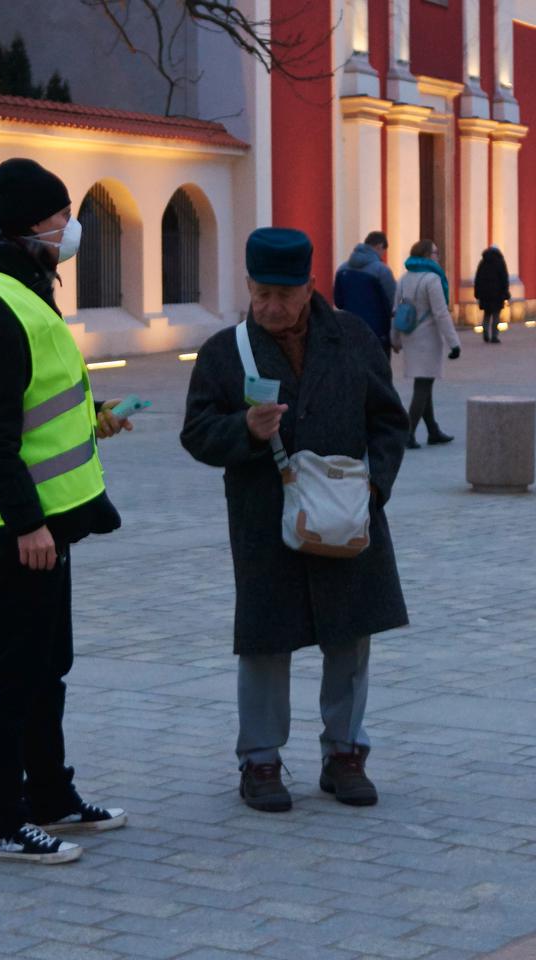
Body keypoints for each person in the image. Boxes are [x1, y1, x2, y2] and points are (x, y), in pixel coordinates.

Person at [181, 227, 408, 813]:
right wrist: (243, 431)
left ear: (310, 288)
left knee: (350, 634)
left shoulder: (354, 338)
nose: (271, 307)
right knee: (264, 639)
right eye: (261, 295)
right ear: (249, 286)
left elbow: (388, 421)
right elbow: (197, 433)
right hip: (264, 519)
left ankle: (345, 754)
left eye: (284, 295)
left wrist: (375, 487)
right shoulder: (225, 351)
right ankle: (259, 760)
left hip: (348, 515)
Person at [0, 158, 131, 863]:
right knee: (9, 673)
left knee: (46, 665)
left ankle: (50, 796)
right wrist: (27, 523)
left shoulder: (27, 286)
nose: (70, 227)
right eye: (60, 216)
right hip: (19, 530)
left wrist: (93, 419)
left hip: (49, 525)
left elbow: (35, 408)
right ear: (30, 225)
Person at [392, 239, 461, 450]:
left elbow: (396, 310)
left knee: (425, 383)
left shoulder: (404, 278)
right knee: (423, 386)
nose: (437, 256)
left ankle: (433, 430)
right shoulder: (432, 279)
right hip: (428, 339)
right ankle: (408, 433)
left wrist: (394, 337)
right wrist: (454, 343)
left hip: (410, 337)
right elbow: (441, 313)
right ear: (425, 255)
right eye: (435, 253)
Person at [334, 231, 396, 357]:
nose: (383, 255)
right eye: (384, 251)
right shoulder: (382, 270)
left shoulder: (342, 269)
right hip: (377, 332)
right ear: (379, 246)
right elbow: (393, 301)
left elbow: (338, 301)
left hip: (349, 329)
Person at [474, 246, 510, 344]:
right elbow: (504, 279)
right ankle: (494, 336)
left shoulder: (483, 262)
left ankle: (485, 333)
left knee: (486, 314)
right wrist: (506, 293)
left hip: (485, 294)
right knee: (496, 315)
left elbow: (478, 279)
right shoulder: (500, 262)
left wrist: (477, 293)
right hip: (497, 294)